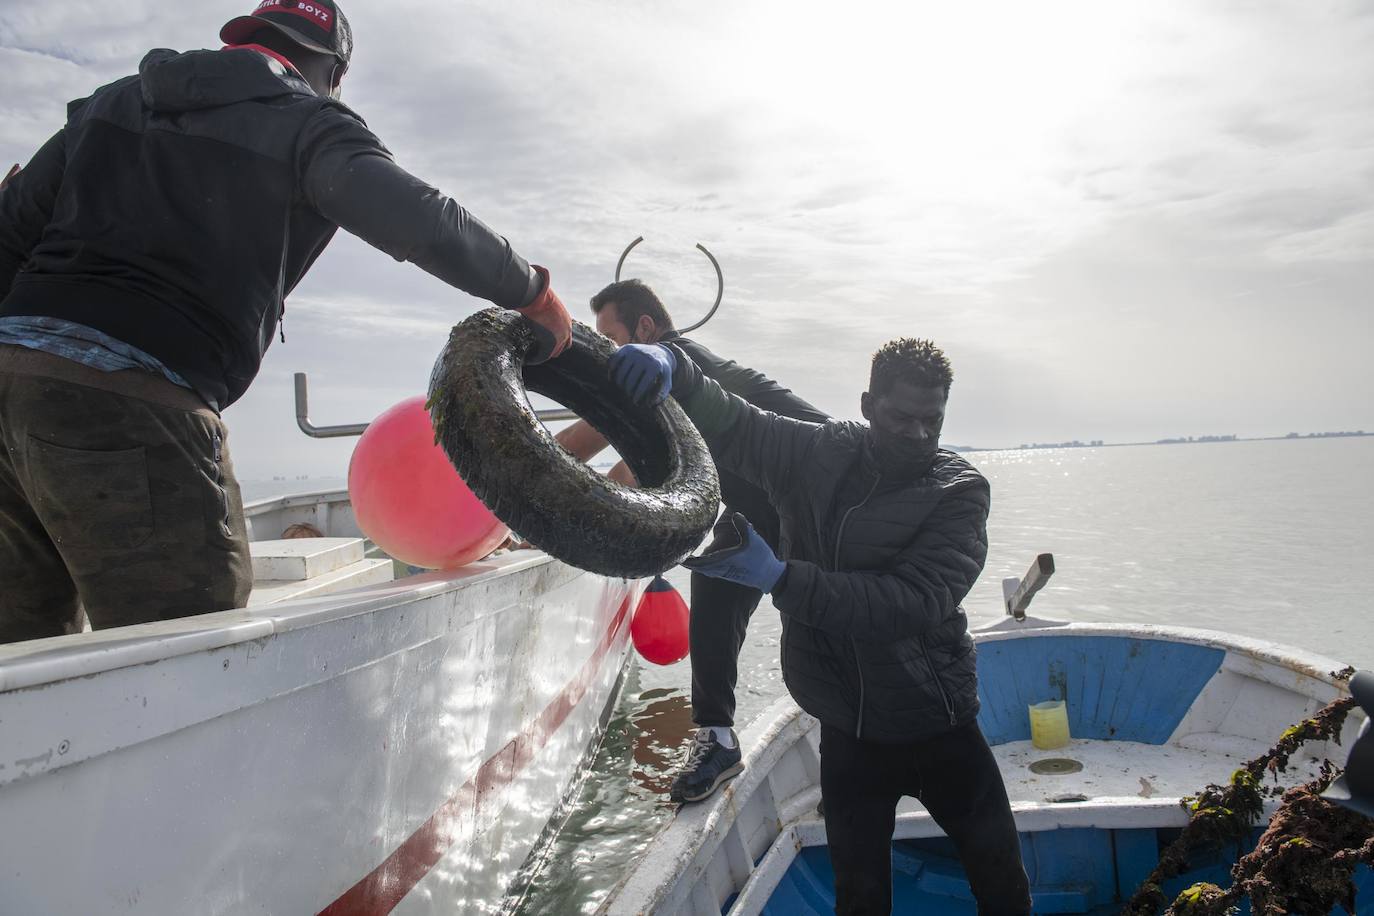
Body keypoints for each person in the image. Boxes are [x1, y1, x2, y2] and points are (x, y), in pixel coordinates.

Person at [0, 0, 572, 644]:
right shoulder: (306, 120)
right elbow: (418, 216)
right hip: (133, 395)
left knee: (23, 651)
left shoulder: (113, 102)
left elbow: (10, 228)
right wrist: (532, 291)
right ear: (333, 72)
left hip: (7, 382)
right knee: (191, 649)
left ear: (246, 39)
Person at [609, 337, 1031, 915]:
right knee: (859, 899)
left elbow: (909, 603)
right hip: (847, 729)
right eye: (900, 417)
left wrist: (780, 578)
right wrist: (675, 367)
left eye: (931, 420)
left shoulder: (958, 491)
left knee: (1002, 885)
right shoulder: (818, 453)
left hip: (937, 722)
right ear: (867, 405)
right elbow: (737, 424)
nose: (917, 434)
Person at [556, 279, 828, 802]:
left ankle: (850, 731)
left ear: (645, 329)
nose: (607, 353)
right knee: (714, 583)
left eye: (611, 338)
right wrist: (528, 517)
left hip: (822, 494)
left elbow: (580, 446)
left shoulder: (675, 364)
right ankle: (717, 739)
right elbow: (623, 465)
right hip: (760, 508)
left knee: (824, 624)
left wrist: (523, 508)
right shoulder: (653, 383)